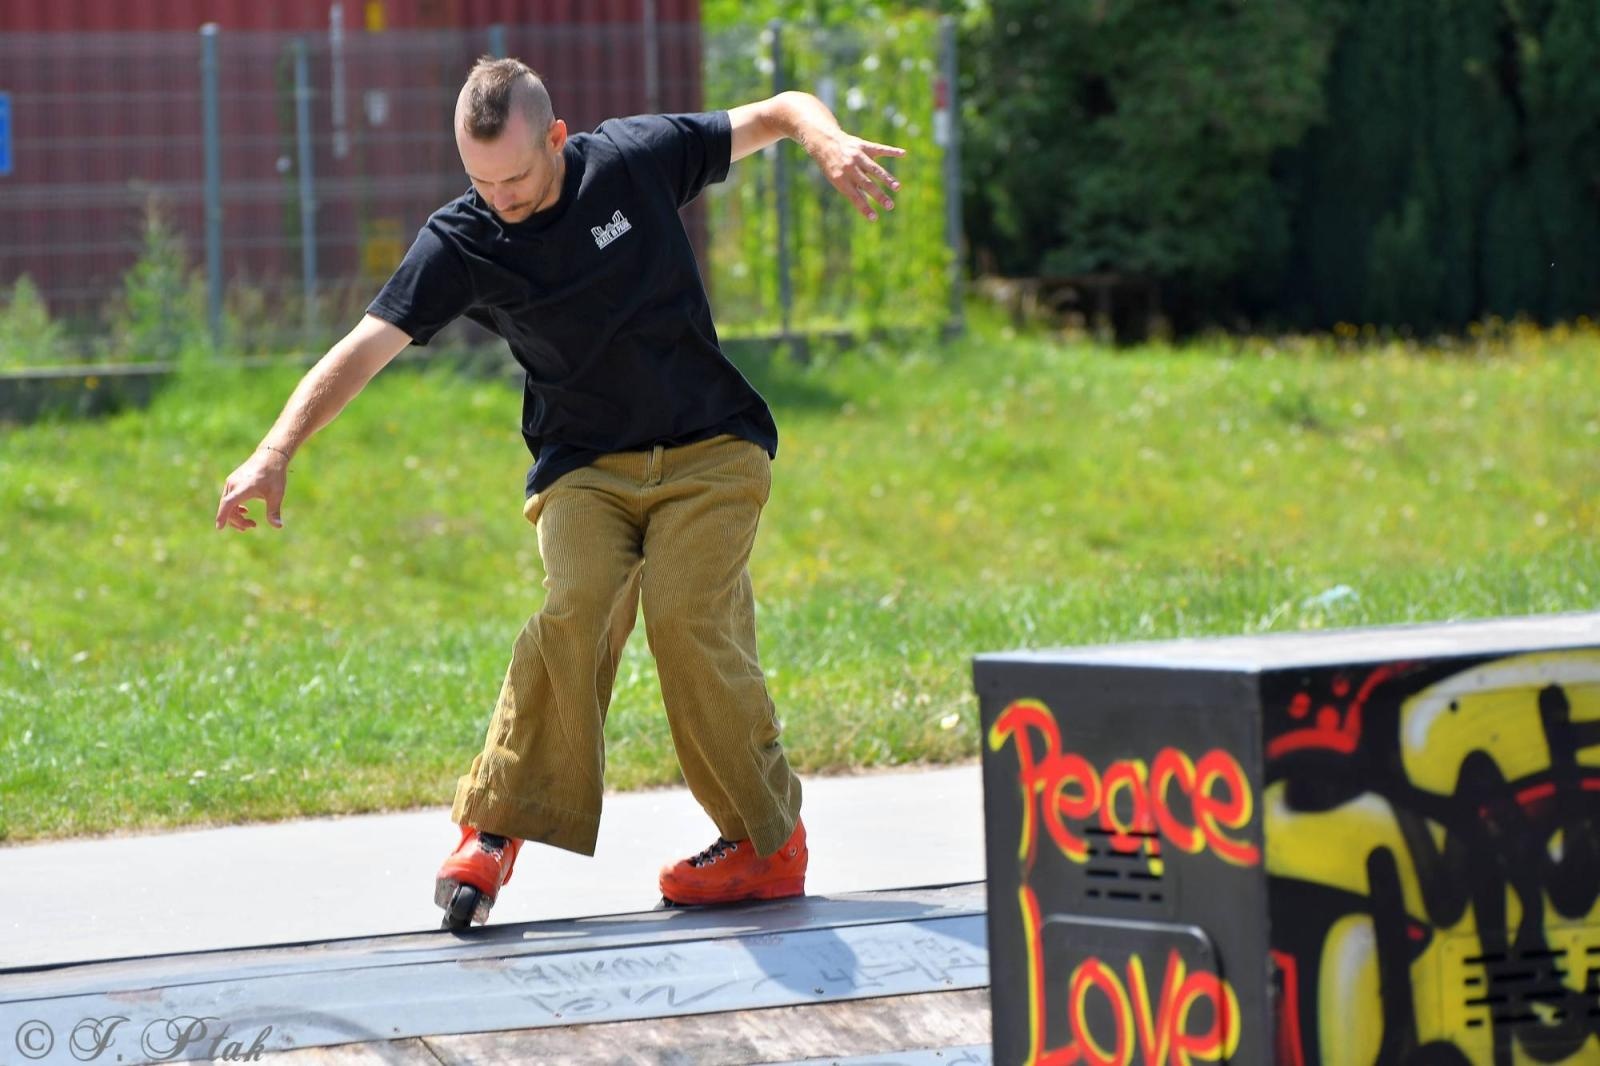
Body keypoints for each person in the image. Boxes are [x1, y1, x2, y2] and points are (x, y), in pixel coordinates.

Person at [214, 57, 903, 926]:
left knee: (688, 613)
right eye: (480, 180)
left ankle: (765, 845)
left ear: (556, 139)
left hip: (712, 449)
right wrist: (276, 449)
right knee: (576, 603)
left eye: (518, 176)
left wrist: (828, 140)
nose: (501, 197)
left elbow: (775, 110)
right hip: (584, 467)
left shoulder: (633, 160)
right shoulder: (466, 238)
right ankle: (492, 829)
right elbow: (364, 345)